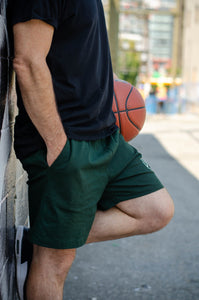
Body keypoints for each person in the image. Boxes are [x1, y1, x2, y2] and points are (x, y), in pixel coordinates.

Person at [7, 0, 174, 299]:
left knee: (155, 210)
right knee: (56, 263)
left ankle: (42, 236)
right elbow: (28, 61)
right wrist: (58, 146)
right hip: (69, 144)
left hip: (105, 136)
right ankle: (47, 243)